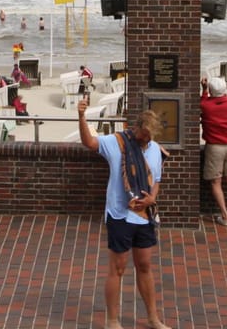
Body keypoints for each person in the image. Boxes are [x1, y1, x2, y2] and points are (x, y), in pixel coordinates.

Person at [77, 99, 170, 329]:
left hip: (144, 215)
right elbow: (89, 142)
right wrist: (81, 117)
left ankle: (153, 318)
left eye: (150, 137)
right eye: (144, 136)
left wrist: (152, 199)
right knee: (117, 268)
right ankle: (112, 321)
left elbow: (155, 180)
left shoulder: (155, 150)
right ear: (136, 127)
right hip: (120, 214)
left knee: (145, 265)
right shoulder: (117, 142)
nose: (146, 141)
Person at [200, 76, 227, 226]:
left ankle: (224, 215)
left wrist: (204, 90)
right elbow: (222, 97)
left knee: (215, 181)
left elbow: (203, 101)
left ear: (211, 90)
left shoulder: (205, 105)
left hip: (215, 147)